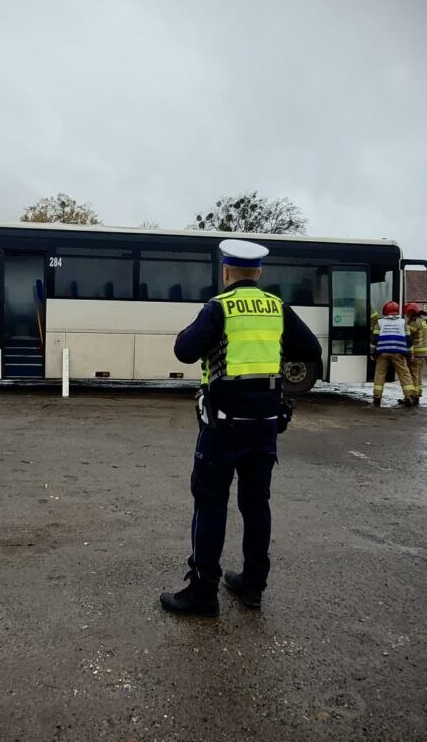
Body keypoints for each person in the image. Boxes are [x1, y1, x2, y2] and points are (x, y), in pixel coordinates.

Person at [159, 239, 322, 617]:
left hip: (223, 427)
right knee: (256, 504)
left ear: (226, 272)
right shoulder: (278, 308)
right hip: (265, 426)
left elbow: (184, 350)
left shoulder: (219, 308)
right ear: (259, 273)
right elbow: (310, 349)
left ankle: (203, 593)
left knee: (210, 502)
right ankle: (252, 585)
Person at [371, 301, 416, 408]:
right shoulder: (403, 322)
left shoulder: (380, 322)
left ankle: (377, 397)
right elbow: (408, 339)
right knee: (404, 374)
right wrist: (411, 353)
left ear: (385, 312)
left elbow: (374, 339)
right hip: (398, 352)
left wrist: (372, 352)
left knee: (380, 374)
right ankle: (409, 396)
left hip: (382, 352)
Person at [404, 302, 427, 405]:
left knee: (413, 374)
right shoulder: (422, 321)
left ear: (412, 313)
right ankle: (418, 393)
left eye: (408, 314)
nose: (407, 316)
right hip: (423, 353)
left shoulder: (414, 322)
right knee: (418, 374)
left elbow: (406, 334)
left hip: (416, 352)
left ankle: (413, 396)